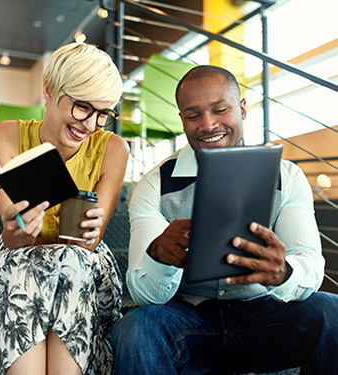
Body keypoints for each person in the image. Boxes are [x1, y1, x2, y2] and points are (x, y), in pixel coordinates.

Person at [111, 65, 338, 374]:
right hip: (188, 320)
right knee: (136, 327)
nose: (207, 125)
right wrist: (158, 256)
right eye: (193, 116)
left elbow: (310, 265)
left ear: (242, 109)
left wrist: (283, 273)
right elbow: (143, 295)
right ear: (182, 120)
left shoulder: (286, 177)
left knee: (331, 311)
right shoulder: (155, 185)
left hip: (264, 315)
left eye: (220, 110)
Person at [0, 42, 129, 375]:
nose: (91, 124)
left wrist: (91, 228)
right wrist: (16, 229)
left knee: (70, 260)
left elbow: (89, 245)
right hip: (19, 263)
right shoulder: (7, 134)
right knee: (31, 264)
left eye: (103, 113)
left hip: (81, 266)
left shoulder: (112, 148)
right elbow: (14, 241)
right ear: (49, 90)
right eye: (83, 107)